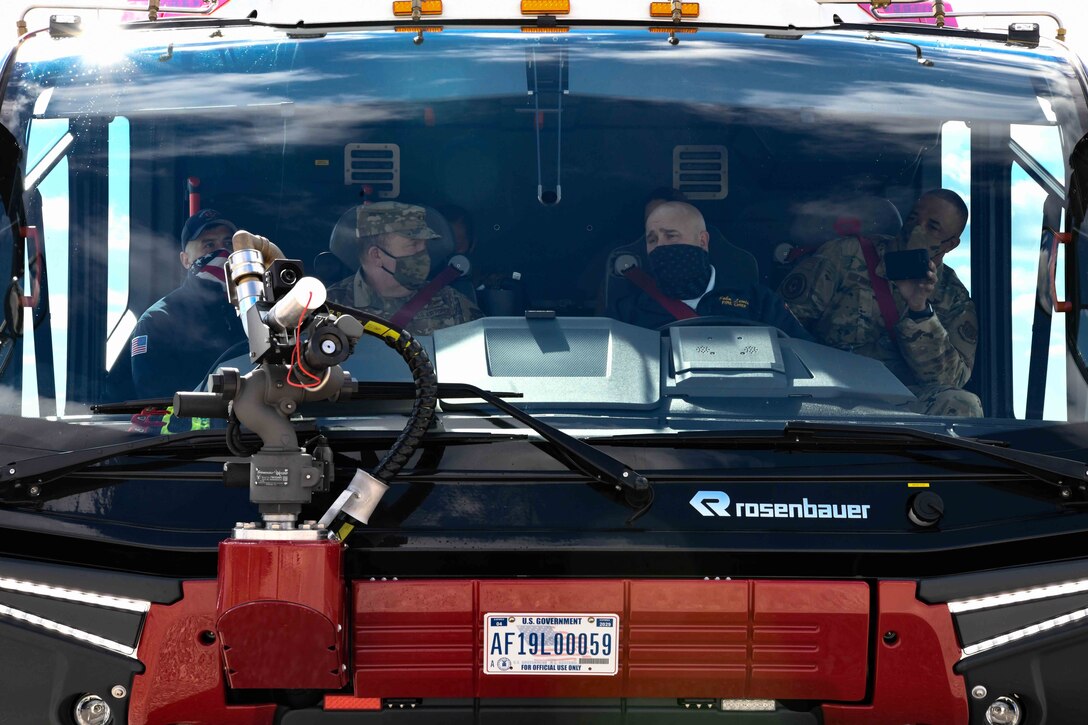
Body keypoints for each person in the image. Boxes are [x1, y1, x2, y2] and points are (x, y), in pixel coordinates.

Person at [777, 189, 981, 417]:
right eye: (913, 218)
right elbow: (782, 327)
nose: (916, 229)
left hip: (901, 412)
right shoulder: (846, 255)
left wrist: (920, 310)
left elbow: (948, 380)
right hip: (827, 397)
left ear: (951, 244)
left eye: (932, 227)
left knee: (963, 404)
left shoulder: (953, 297)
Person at [609, 201, 811, 337]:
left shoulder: (760, 303)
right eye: (652, 240)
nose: (660, 246)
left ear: (703, 241)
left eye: (671, 236)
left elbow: (806, 361)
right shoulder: (627, 314)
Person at [130, 209, 246, 399]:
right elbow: (157, 400)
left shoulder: (256, 311)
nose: (223, 252)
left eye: (228, 243)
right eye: (208, 245)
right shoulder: (158, 320)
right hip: (202, 429)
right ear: (185, 260)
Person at [326, 201, 482, 335]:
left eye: (424, 246)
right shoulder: (330, 308)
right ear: (376, 255)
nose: (424, 254)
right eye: (413, 245)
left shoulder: (450, 302)